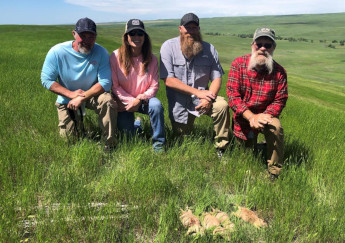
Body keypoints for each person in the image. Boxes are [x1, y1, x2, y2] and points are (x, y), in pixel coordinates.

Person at [160, 13, 230, 157]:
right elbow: (168, 79)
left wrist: (208, 98)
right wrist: (198, 93)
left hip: (204, 98)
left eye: (194, 27)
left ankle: (221, 148)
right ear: (180, 29)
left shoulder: (209, 49)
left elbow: (217, 77)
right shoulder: (168, 47)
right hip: (179, 101)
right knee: (181, 141)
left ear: (198, 29)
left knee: (222, 106)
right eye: (187, 28)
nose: (191, 31)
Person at [41, 17, 117, 150]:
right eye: (83, 36)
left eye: (91, 36)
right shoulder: (57, 52)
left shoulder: (101, 52)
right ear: (74, 34)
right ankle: (79, 127)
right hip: (67, 98)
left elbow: (105, 82)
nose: (87, 41)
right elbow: (46, 79)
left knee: (107, 100)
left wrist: (81, 97)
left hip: (92, 95)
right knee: (69, 141)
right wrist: (71, 94)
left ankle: (109, 144)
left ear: (96, 36)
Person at [227, 27, 288, 179]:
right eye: (259, 44)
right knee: (246, 156)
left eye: (267, 45)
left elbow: (280, 100)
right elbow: (233, 96)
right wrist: (251, 117)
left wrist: (263, 116)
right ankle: (257, 147)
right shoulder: (238, 65)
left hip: (266, 116)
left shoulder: (279, 72)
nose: (262, 48)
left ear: (273, 48)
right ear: (252, 44)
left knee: (276, 127)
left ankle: (274, 171)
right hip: (244, 117)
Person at [110, 19, 165, 152]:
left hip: (144, 100)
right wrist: (131, 101)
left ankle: (158, 144)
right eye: (132, 33)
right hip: (124, 104)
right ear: (126, 37)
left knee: (156, 105)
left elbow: (154, 85)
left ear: (145, 37)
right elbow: (115, 86)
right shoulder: (115, 56)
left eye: (140, 33)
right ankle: (137, 125)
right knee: (128, 140)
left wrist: (140, 99)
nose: (136, 37)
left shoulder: (151, 58)